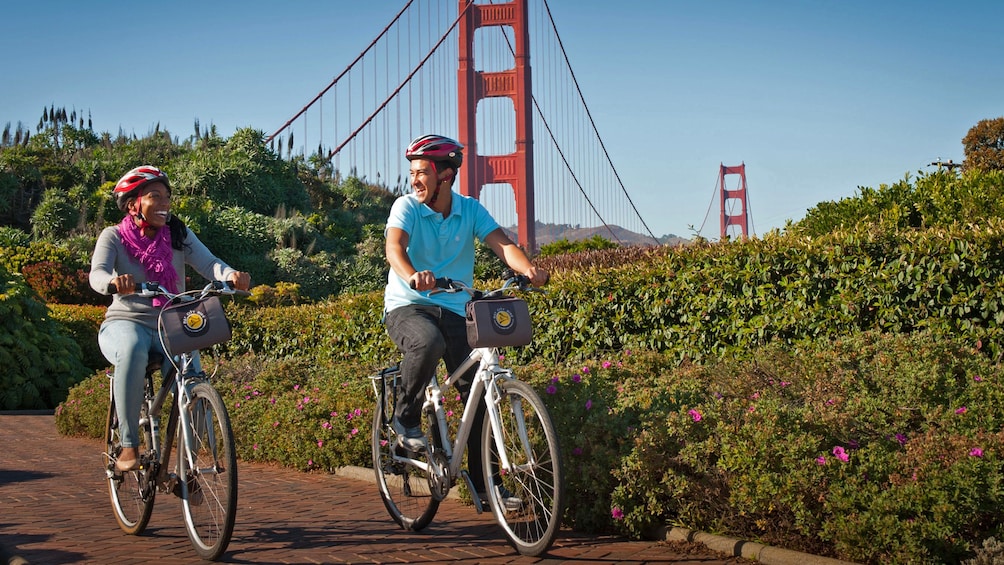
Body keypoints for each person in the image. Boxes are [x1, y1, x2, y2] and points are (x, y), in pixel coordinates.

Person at [383, 134, 548, 505]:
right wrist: (413, 274)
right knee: (428, 342)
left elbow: (502, 244)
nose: (415, 180)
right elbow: (394, 247)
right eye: (413, 172)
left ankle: (487, 484)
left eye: (422, 172)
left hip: (458, 309)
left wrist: (530, 269)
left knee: (480, 389)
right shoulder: (406, 207)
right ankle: (405, 418)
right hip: (409, 304)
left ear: (446, 176)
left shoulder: (470, 209)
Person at [89, 165, 251, 472]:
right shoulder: (112, 237)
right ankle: (128, 445)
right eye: (155, 196)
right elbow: (96, 273)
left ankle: (192, 459)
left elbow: (209, 263)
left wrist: (230, 275)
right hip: (125, 322)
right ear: (133, 203)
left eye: (167, 197)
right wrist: (112, 282)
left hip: (170, 323)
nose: (165, 203)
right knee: (133, 348)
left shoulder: (178, 234)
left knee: (192, 373)